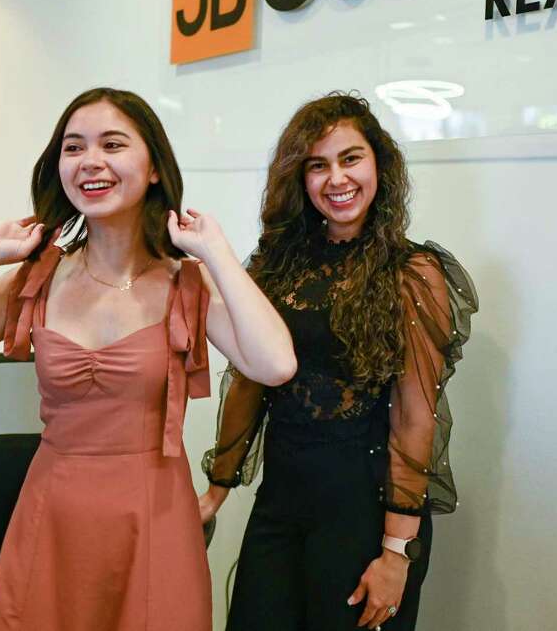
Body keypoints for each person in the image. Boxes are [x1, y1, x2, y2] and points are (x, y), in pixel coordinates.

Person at [0, 87, 297, 631]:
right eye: (74, 147)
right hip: (53, 513)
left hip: (152, 518)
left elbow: (275, 365)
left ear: (153, 167)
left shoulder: (186, 284)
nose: (91, 162)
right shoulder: (38, 278)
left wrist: (217, 253)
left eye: (113, 144)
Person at [199, 93, 477, 630]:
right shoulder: (275, 266)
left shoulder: (413, 273)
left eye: (350, 158)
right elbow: (249, 384)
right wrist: (216, 489)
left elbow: (417, 416)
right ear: (299, 180)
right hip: (281, 505)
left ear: (379, 164)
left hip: (366, 514)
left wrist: (397, 552)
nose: (336, 179)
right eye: (317, 165)